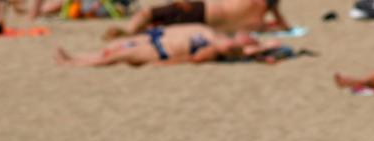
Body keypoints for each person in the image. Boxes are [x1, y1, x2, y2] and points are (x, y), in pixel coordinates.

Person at [55, 24, 281, 67]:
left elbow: (198, 58)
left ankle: (74, 63)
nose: (247, 35)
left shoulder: (227, 47)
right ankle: (77, 57)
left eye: (250, 38)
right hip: (155, 38)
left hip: (160, 50)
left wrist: (261, 48)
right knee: (114, 48)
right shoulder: (215, 34)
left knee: (115, 56)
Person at [103, 0, 288, 40]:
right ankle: (136, 33)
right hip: (208, 26)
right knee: (165, 27)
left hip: (202, 10)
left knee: (147, 14)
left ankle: (129, 31)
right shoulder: (263, 11)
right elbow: (284, 26)